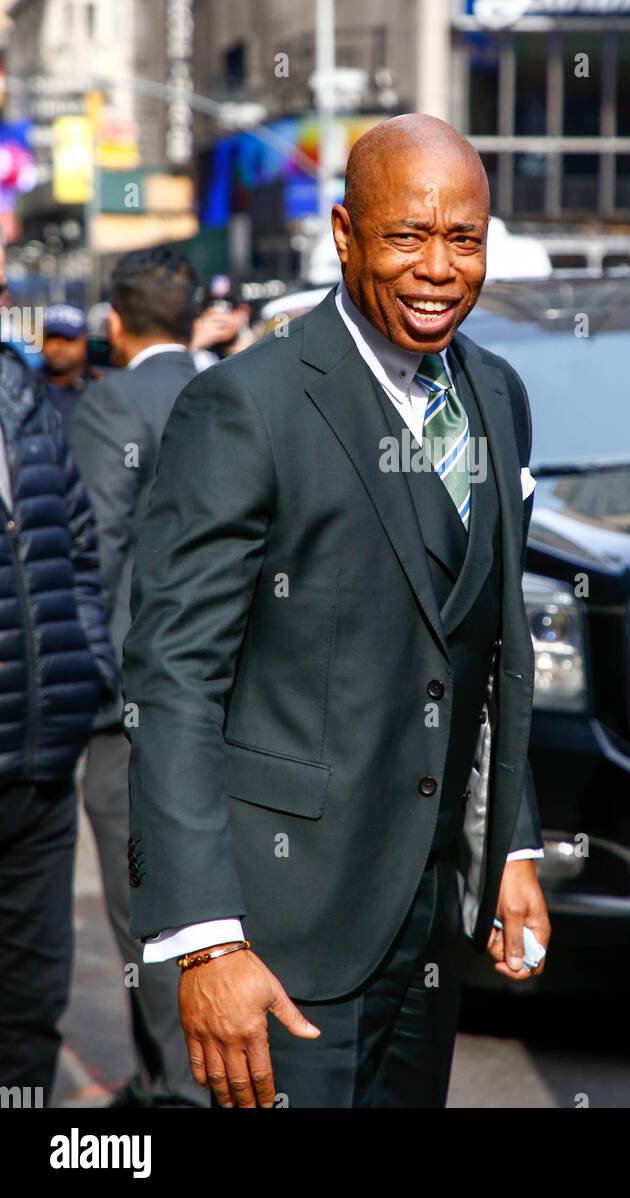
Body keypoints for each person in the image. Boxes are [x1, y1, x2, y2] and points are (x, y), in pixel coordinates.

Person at [123, 114, 550, 1109]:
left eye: (463, 239)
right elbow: (173, 680)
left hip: (428, 917)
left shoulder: (496, 393)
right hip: (281, 933)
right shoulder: (246, 405)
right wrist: (204, 940)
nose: (437, 268)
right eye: (407, 236)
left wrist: (510, 843)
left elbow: (489, 644)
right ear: (344, 233)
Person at [69, 247, 205, 1108]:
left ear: (115, 323)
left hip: (132, 711)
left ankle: (175, 1092)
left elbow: (91, 560)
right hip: (220, 700)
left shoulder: (111, 401)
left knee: (145, 916)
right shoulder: (233, 387)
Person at [0, 337, 116, 1097]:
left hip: (40, 772)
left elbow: (76, 547)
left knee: (31, 1006)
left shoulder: (21, 393)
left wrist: (88, 667)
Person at [35, 304, 91, 434]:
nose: (60, 345)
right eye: (53, 337)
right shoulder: (25, 387)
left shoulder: (99, 392)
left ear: (84, 342)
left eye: (69, 338)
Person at [189, 275, 255, 368]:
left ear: (244, 312)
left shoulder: (259, 347)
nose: (219, 316)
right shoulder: (197, 355)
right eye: (211, 306)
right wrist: (194, 346)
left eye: (228, 307)